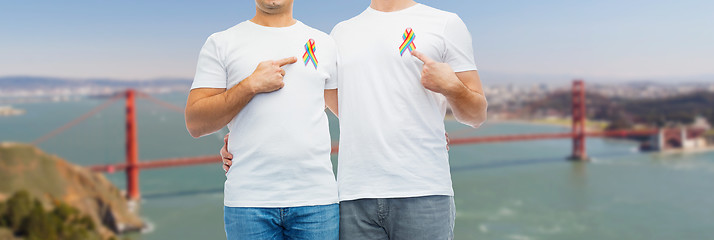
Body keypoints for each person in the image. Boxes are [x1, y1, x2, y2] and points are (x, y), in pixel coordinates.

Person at [222, 0, 487, 239]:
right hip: (352, 195)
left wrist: (451, 86)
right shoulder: (340, 33)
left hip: (424, 190)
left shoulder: (445, 23)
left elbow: (476, 115)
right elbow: (326, 100)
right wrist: (244, 139)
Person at [184, 0, 340, 239]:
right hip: (248, 202)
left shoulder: (325, 43)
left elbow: (351, 113)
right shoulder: (222, 42)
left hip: (316, 199)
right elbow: (195, 123)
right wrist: (250, 85)